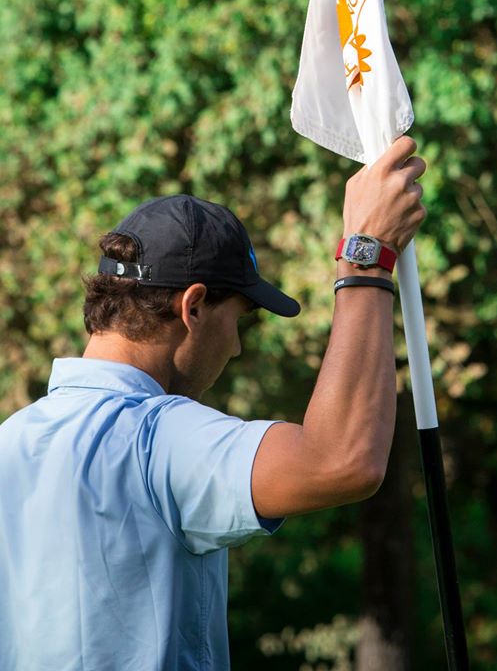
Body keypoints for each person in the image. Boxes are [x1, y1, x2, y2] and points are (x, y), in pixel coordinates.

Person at [0, 136, 426, 671]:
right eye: (240, 318)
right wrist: (368, 257)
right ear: (194, 306)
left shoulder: (10, 441)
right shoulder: (158, 438)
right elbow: (342, 460)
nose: (238, 345)